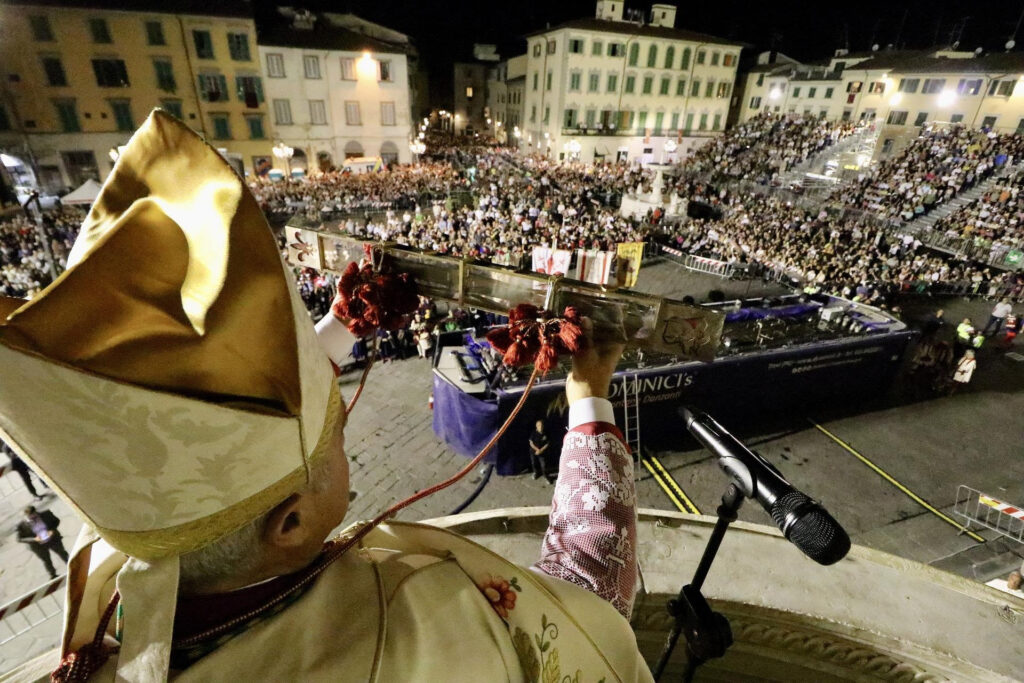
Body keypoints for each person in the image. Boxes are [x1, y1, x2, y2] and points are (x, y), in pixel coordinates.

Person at [0, 111, 651, 682]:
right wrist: (589, 396)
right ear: (288, 523)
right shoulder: (414, 625)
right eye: (337, 432)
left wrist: (343, 324)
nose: (342, 432)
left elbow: (194, 432)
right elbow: (583, 607)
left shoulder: (130, 553)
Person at [16, 506, 68, 579]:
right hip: (38, 546)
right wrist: (34, 539)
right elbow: (19, 539)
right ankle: (53, 575)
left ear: (36, 512)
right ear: (25, 516)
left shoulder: (46, 513)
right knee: (46, 560)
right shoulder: (21, 525)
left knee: (63, 553)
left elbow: (56, 521)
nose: (32, 519)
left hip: (52, 539)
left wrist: (52, 530)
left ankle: (72, 566)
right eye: (30, 518)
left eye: (34, 516)